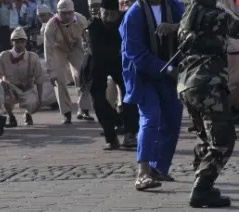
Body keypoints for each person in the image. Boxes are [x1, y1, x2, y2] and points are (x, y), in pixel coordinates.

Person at [178, 0, 239, 207]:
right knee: (223, 139)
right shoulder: (217, 16)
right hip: (208, 83)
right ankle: (202, 189)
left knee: (206, 136)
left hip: (187, 84)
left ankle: (201, 176)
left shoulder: (189, 15)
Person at [119, 0, 183, 190]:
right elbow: (135, 53)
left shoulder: (175, 7)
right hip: (143, 75)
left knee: (172, 119)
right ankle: (143, 172)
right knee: (150, 117)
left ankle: (159, 168)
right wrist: (169, 69)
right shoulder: (134, 14)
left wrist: (176, 27)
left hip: (169, 75)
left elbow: (190, 27)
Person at [84, 0, 138, 149]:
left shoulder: (125, 21)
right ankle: (111, 135)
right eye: (105, 13)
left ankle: (130, 134)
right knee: (97, 98)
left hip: (120, 62)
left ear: (118, 13)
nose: (108, 17)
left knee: (130, 93)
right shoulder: (93, 26)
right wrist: (118, 51)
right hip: (97, 63)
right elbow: (96, 51)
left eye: (112, 14)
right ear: (100, 12)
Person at [43, 0, 94, 124]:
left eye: (69, 13)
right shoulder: (51, 26)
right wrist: (51, 71)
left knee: (84, 74)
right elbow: (48, 49)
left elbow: (89, 38)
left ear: (73, 12)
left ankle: (84, 109)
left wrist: (90, 56)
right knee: (59, 79)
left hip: (75, 46)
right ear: (58, 12)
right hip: (58, 49)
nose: (66, 16)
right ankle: (66, 113)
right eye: (63, 13)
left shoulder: (81, 20)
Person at [0, 27, 47, 127]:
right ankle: (11, 116)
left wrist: (40, 97)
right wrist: (1, 82)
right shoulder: (3, 56)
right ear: (11, 42)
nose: (19, 44)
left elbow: (39, 79)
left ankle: (28, 113)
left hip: (27, 89)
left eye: (22, 41)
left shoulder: (33, 57)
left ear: (26, 42)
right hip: (11, 88)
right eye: (16, 41)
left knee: (33, 103)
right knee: (2, 93)